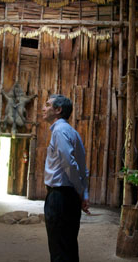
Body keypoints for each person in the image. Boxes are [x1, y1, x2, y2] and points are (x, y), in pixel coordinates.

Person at [42, 94, 90, 262]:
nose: (44, 108)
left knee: (59, 250)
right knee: (68, 247)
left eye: (48, 105)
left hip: (60, 197)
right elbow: (83, 168)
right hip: (68, 197)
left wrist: (80, 191)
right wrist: (83, 195)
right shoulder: (72, 132)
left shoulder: (60, 131)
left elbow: (69, 164)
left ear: (58, 110)